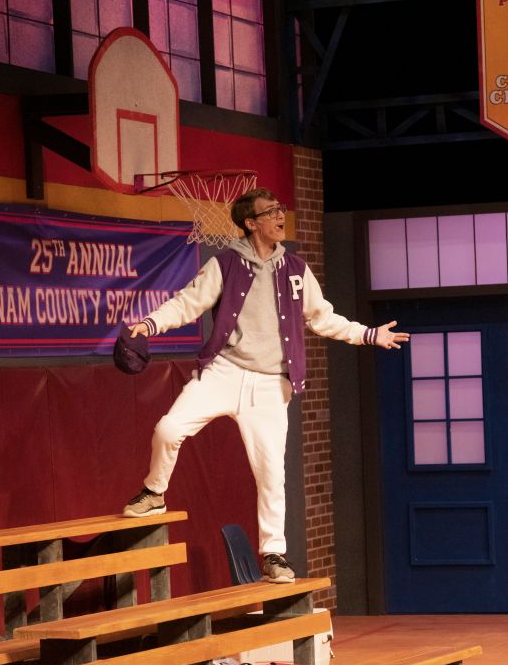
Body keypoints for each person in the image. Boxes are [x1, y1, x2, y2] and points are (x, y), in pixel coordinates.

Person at [122, 188, 409, 582]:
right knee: (168, 429)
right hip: (224, 371)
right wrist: (150, 323)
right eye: (270, 212)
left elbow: (322, 317)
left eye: (280, 209)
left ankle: (274, 554)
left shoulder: (296, 269)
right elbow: (187, 303)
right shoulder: (225, 264)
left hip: (271, 383)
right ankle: (154, 492)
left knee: (271, 472)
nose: (279, 216)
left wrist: (368, 334)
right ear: (250, 223)